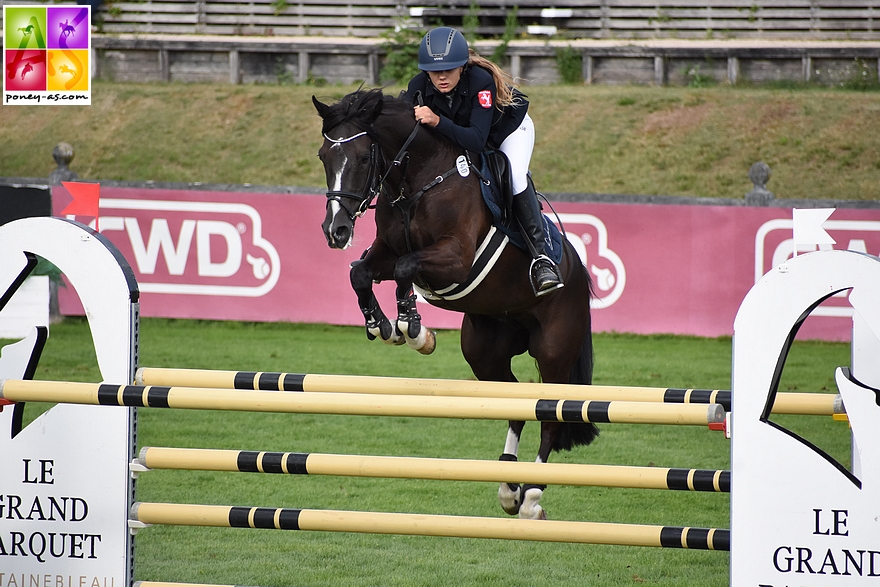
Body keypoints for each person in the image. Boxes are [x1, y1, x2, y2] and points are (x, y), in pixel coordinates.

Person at [405, 26, 563, 296]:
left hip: (509, 131)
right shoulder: (417, 88)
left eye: (450, 70)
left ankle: (541, 259)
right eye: (434, 71)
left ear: (463, 66)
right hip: (464, 137)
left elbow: (477, 140)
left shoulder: (480, 82)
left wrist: (437, 120)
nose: (442, 77)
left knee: (514, 177)